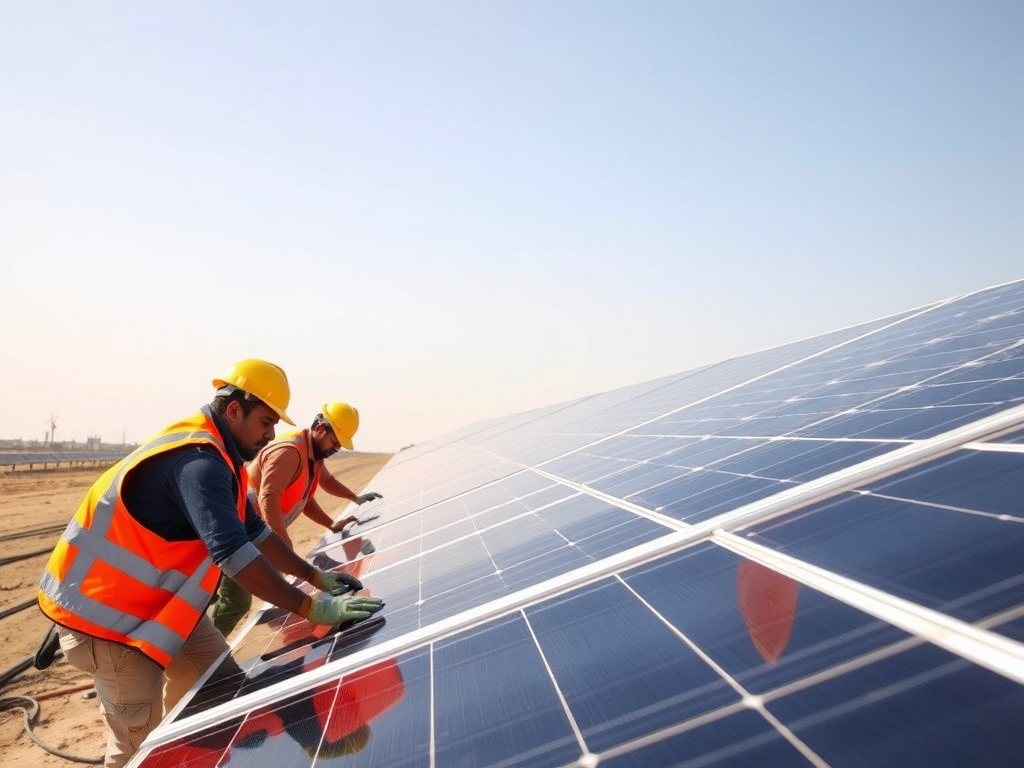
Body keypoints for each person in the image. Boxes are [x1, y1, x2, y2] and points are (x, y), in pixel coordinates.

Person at [36, 359, 385, 768]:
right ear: (233, 409)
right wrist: (309, 606)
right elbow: (235, 556)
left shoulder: (223, 459)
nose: (271, 433)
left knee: (220, 689)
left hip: (160, 609)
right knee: (139, 749)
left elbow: (256, 532)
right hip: (109, 627)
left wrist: (315, 576)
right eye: (265, 421)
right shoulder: (198, 463)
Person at [209, 401, 384, 637]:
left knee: (234, 591)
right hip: (238, 531)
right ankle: (203, 663)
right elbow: (268, 497)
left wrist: (345, 509)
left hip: (254, 536)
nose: (336, 448)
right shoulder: (290, 452)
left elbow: (309, 498)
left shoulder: (313, 457)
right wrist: (280, 543)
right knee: (237, 601)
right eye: (335, 442)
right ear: (321, 430)